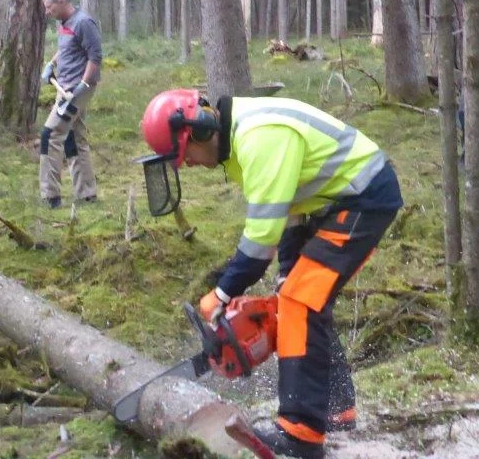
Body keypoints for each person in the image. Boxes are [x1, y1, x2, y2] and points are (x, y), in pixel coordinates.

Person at [140, 90, 402, 459]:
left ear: (198, 132)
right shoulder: (243, 140)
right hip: (335, 203)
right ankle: (336, 410)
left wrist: (223, 293)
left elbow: (261, 237)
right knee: (295, 294)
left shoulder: (258, 137)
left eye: (186, 157)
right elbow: (289, 207)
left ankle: (300, 434)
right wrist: (286, 271)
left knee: (300, 300)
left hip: (364, 199)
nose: (190, 166)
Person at [38, 0, 100, 209]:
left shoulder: (84, 22)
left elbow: (95, 57)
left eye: (49, 6)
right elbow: (66, 49)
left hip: (75, 92)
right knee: (75, 137)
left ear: (62, 1)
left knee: (50, 134)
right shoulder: (64, 24)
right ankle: (87, 193)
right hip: (64, 88)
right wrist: (51, 64)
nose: (47, 11)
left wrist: (82, 85)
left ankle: (50, 196)